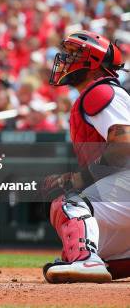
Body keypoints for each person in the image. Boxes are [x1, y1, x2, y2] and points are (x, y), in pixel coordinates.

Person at [42, 30, 129, 283]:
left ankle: (86, 262)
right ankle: (89, 259)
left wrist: (78, 179)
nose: (65, 59)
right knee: (82, 246)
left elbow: (124, 145)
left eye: (73, 54)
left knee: (67, 202)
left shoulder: (99, 92)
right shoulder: (101, 92)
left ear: (93, 63)